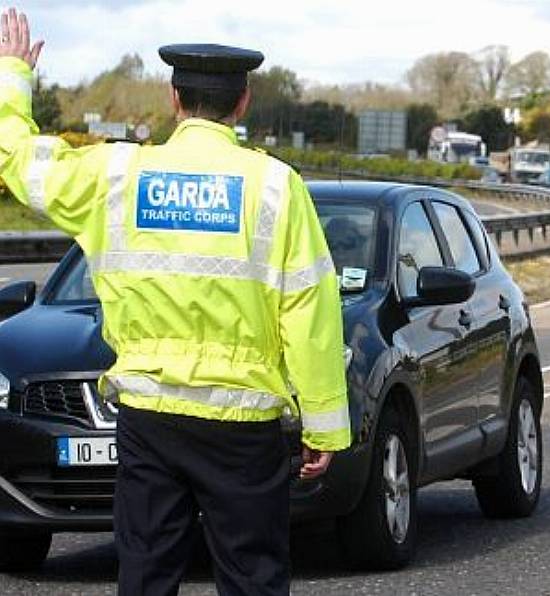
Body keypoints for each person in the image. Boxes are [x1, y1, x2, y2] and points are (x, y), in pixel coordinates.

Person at [0, 8, 350, 595]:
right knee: (253, 576)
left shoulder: (116, 174)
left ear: (173, 98)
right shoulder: (274, 186)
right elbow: (310, 310)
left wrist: (13, 74)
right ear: (243, 104)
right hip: (242, 424)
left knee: (147, 571)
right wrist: (324, 426)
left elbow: (18, 160)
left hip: (149, 416)